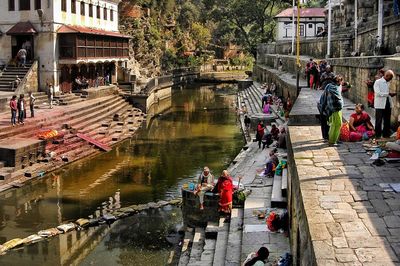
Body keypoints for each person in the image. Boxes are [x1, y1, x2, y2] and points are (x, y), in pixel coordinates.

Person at [374, 70, 396, 138]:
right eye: (390, 77)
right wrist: (388, 94)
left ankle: (386, 135)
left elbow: (386, 93)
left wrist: (390, 94)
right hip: (379, 105)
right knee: (379, 121)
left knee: (387, 120)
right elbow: (378, 93)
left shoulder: (387, 82)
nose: (391, 79)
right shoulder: (378, 82)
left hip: (387, 103)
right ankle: (377, 136)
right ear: (386, 76)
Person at [323, 75, 344, 146]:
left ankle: (334, 139)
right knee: (336, 125)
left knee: (336, 124)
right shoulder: (334, 88)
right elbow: (338, 98)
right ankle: (332, 141)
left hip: (334, 108)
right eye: (341, 81)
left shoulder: (330, 86)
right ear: (338, 82)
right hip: (335, 109)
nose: (342, 83)